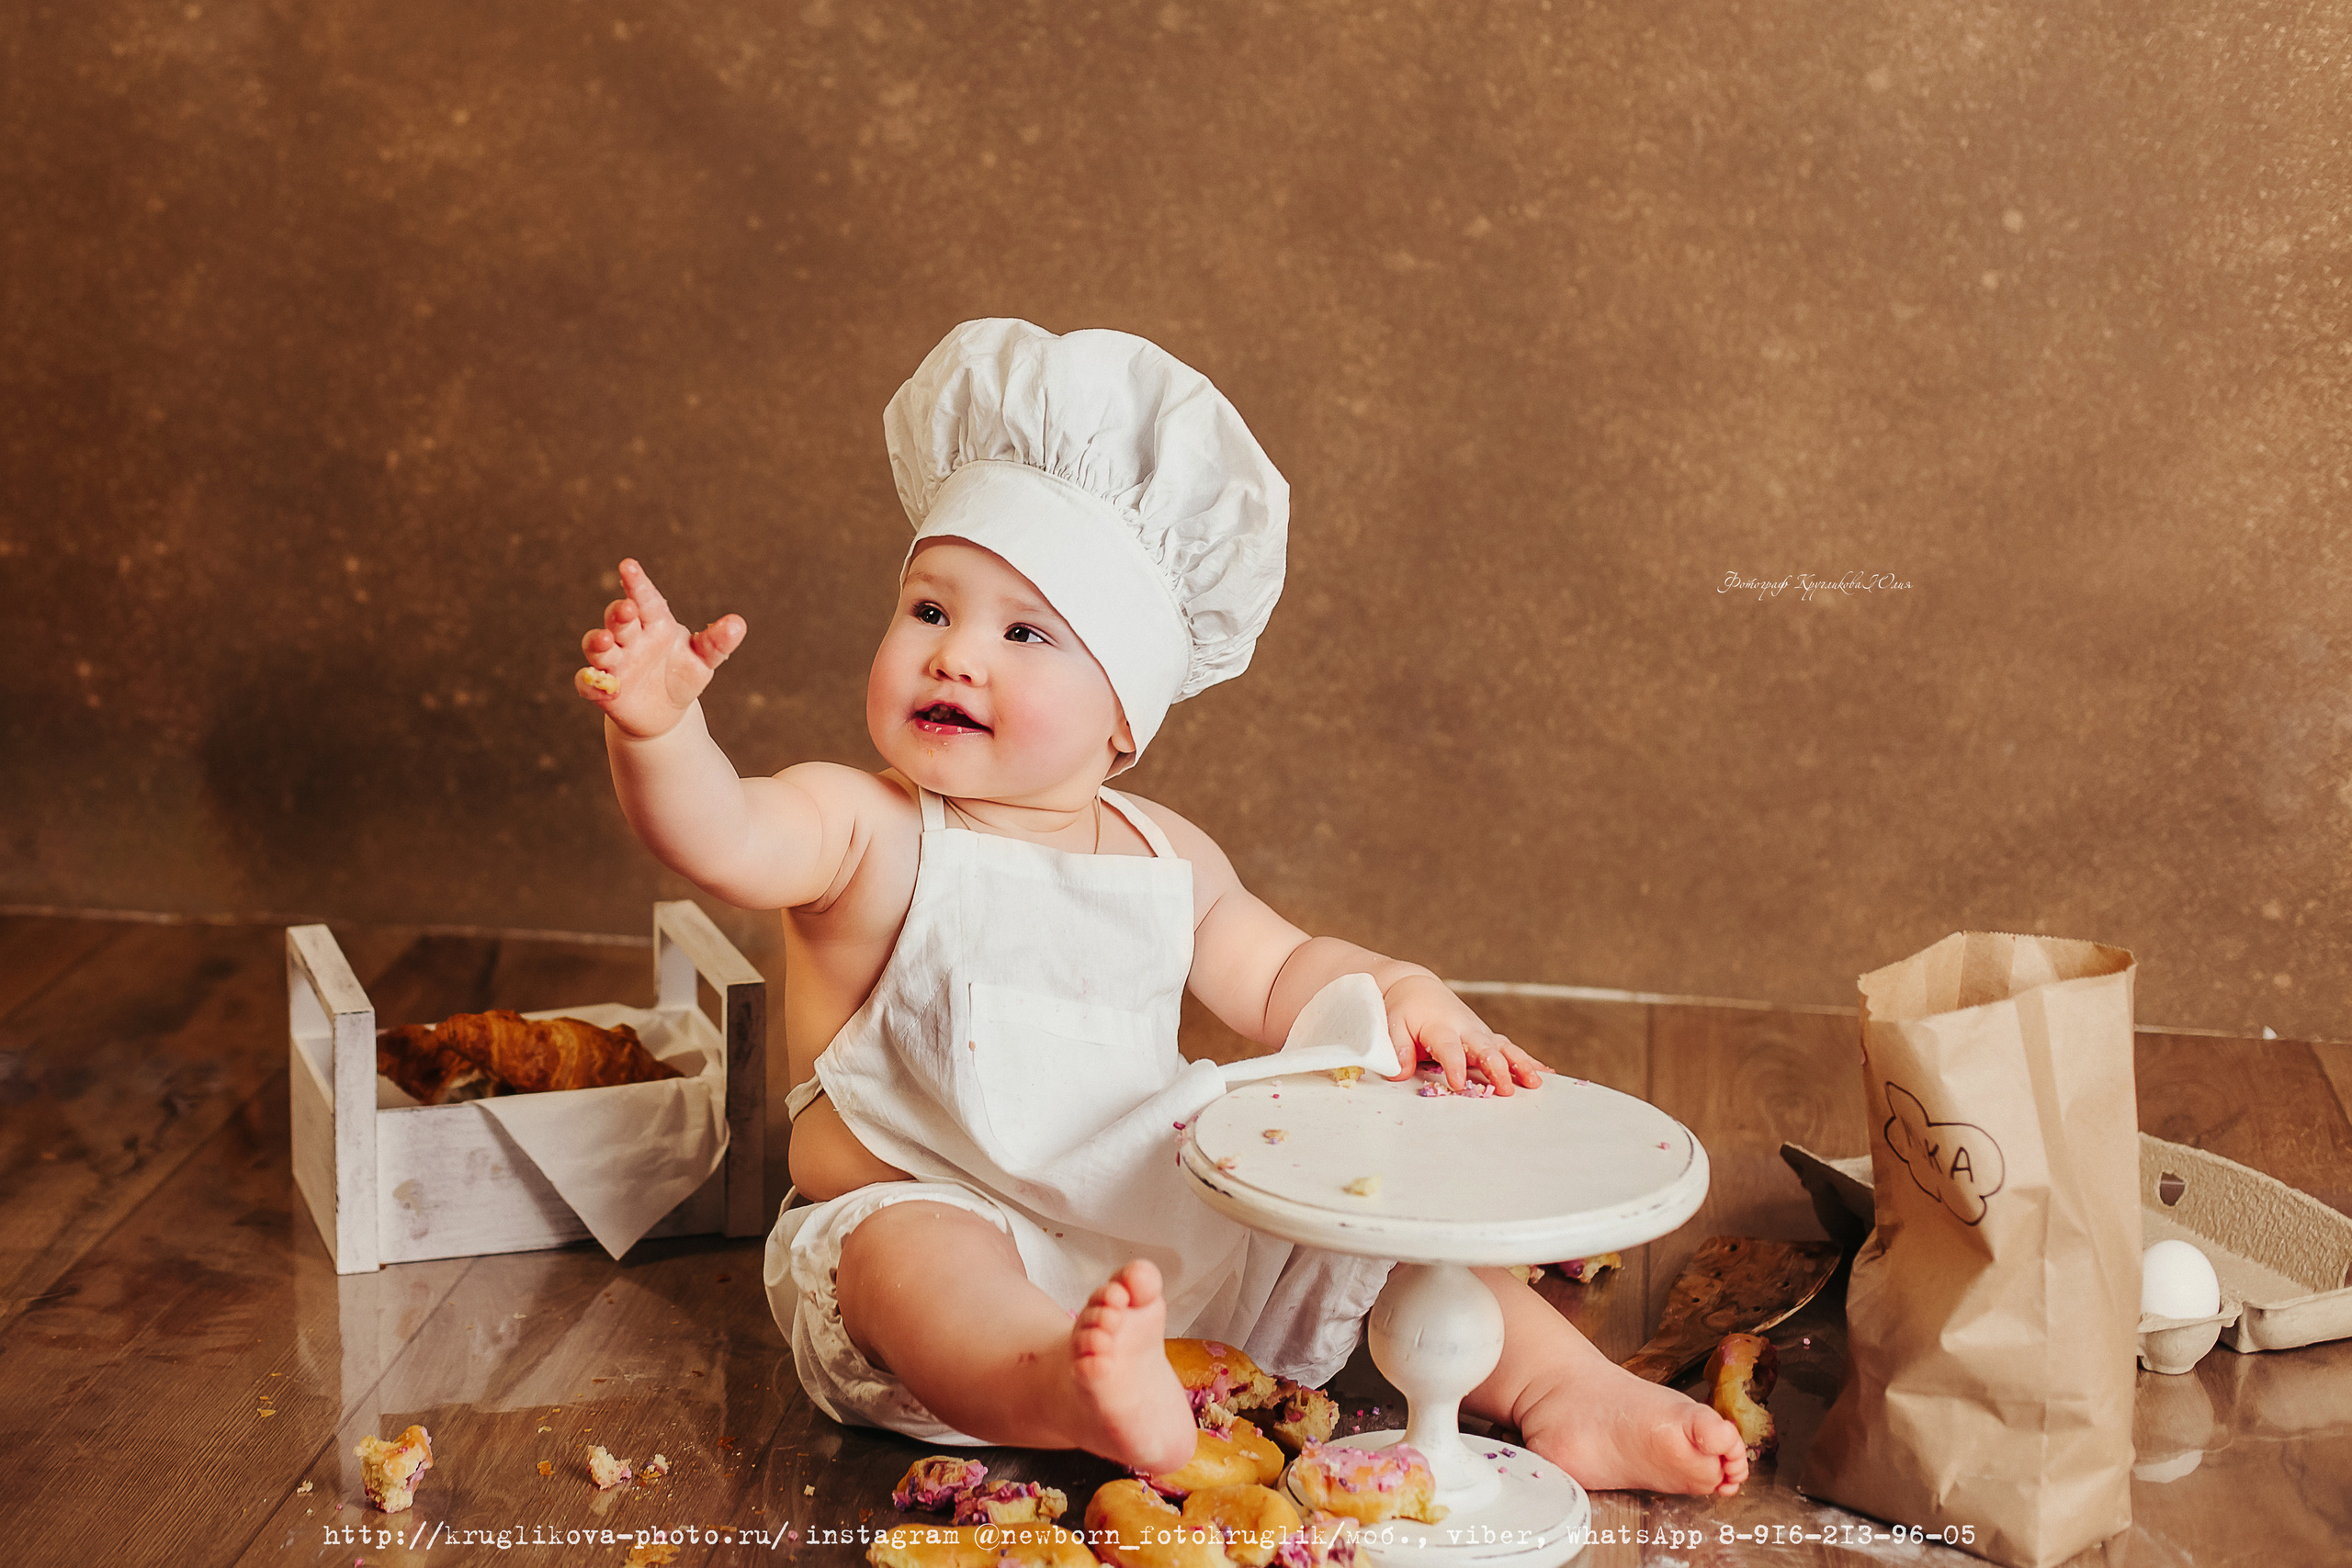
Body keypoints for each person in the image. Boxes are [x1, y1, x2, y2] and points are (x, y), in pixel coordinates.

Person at [574, 319, 1747, 1495]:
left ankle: (1566, 1389)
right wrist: (663, 731)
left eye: (1023, 632)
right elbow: (720, 833)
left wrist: (1396, 991)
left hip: (1165, 1211)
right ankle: (1064, 1388)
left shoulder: (1163, 852)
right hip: (947, 1217)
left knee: (1368, 1223)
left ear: (1123, 719)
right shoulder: (862, 827)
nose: (955, 656)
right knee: (902, 1259)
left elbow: (1283, 973)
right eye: (929, 610)